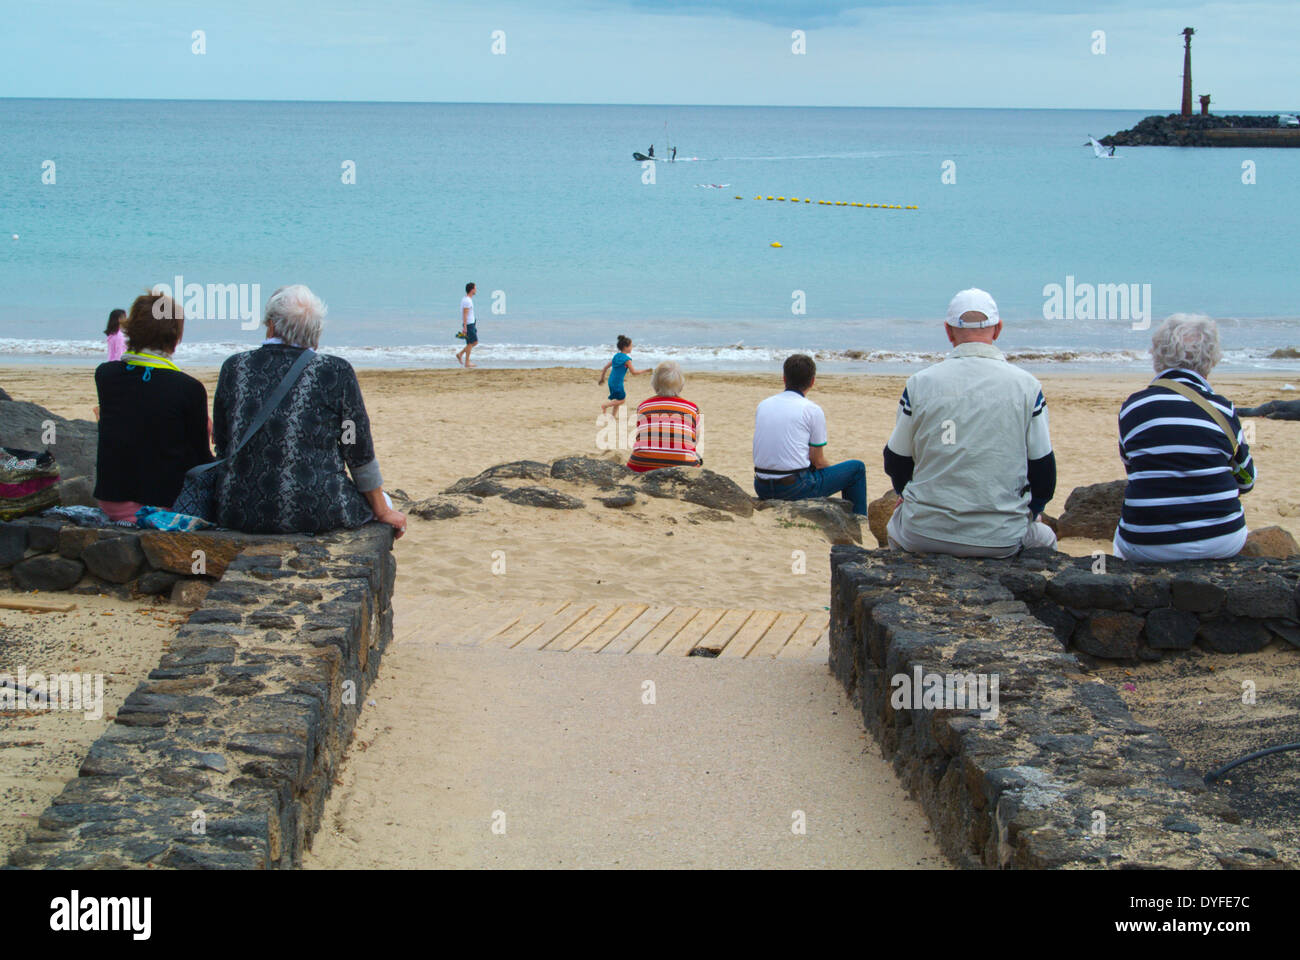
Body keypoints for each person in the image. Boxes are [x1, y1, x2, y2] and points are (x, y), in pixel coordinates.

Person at [211, 285, 406, 537]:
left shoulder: (234, 367)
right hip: (317, 508)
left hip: (238, 509)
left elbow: (223, 442)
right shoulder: (336, 371)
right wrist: (382, 510)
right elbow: (355, 446)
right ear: (315, 333)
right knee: (385, 502)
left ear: (270, 326)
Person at [883, 288, 1057, 557]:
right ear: (997, 330)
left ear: (948, 332)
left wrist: (905, 492)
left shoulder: (920, 383)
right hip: (1000, 537)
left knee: (894, 528)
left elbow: (895, 459)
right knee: (1045, 538)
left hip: (923, 532)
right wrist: (1033, 510)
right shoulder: (1026, 386)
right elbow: (1044, 470)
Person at [1113, 314, 1255, 561]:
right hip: (1222, 540)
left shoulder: (1133, 407)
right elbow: (1246, 482)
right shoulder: (1224, 409)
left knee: (1119, 542)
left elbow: (1134, 471)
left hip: (1148, 543)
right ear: (1210, 360)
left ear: (1158, 355)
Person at [93, 293, 213, 522]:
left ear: (130, 329)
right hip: (164, 504)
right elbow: (200, 458)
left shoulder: (105, 375)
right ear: (175, 337)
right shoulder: (189, 388)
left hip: (111, 501)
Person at [753, 354, 866, 515]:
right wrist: (832, 472)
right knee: (857, 469)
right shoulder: (812, 410)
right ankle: (858, 520)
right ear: (812, 381)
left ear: (784, 379)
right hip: (792, 488)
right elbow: (818, 461)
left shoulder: (763, 405)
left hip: (761, 486)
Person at [627, 360, 702, 472]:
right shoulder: (692, 408)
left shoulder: (643, 406)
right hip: (683, 465)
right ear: (681, 385)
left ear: (654, 384)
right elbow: (696, 440)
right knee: (697, 458)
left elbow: (640, 435)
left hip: (642, 464)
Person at [598, 335, 649, 414]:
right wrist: (645, 371)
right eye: (631, 346)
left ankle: (613, 416)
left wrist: (602, 378)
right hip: (618, 383)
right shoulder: (627, 360)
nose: (632, 347)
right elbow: (634, 373)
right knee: (622, 400)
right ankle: (605, 406)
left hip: (611, 381)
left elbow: (605, 367)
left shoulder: (616, 356)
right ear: (625, 347)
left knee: (617, 400)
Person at [455, 282, 478, 368]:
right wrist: (465, 327)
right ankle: (467, 362)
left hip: (471, 324)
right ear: (472, 290)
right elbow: (465, 314)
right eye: (475, 288)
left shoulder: (467, 299)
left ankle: (460, 354)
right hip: (468, 325)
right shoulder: (467, 301)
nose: (476, 290)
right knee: (471, 343)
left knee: (474, 342)